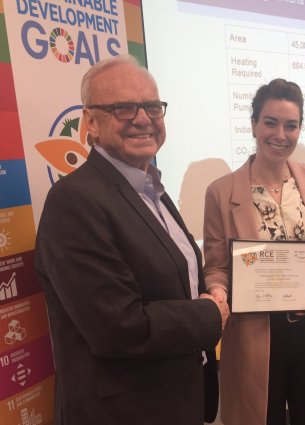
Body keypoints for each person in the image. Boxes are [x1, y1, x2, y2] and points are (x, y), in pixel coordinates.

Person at [35, 55, 229, 425]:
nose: (143, 119)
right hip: (125, 411)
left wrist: (213, 290)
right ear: (91, 122)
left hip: (175, 398)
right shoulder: (74, 201)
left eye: (152, 106)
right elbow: (117, 327)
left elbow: (177, 277)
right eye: (123, 107)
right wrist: (210, 314)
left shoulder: (152, 188)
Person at [203, 78, 305, 425]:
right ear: (254, 124)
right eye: (270, 122)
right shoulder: (221, 192)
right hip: (255, 335)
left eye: (291, 125)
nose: (280, 135)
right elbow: (216, 267)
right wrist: (218, 294)